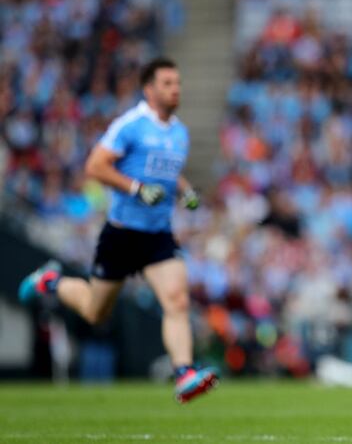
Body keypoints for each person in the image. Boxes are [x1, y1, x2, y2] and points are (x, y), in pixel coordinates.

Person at [18, 57, 218, 403]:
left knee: (177, 300)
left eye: (178, 83)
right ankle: (51, 282)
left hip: (157, 235)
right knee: (97, 311)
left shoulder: (179, 132)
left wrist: (185, 192)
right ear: (149, 89)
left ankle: (183, 372)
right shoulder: (131, 125)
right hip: (122, 234)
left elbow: (169, 173)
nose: (176, 90)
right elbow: (95, 166)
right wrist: (136, 188)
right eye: (168, 83)